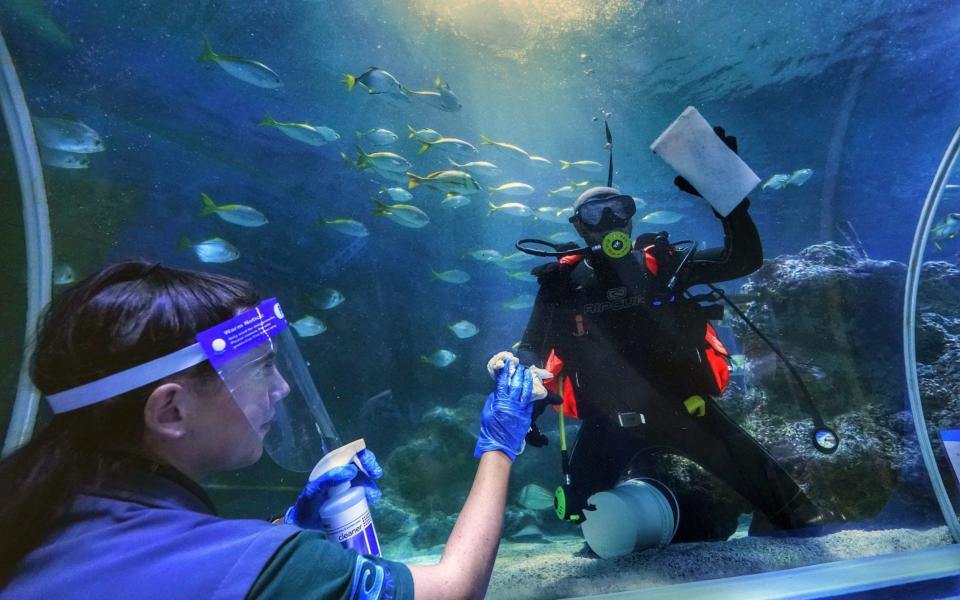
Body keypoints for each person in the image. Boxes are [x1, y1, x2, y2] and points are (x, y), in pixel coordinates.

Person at [0, 260, 536, 599]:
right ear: (170, 411)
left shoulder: (32, 510)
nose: (280, 389)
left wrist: (286, 532)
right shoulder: (254, 565)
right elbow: (453, 591)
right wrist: (499, 446)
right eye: (260, 367)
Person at [516, 129, 832, 540]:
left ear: (631, 216)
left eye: (618, 209)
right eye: (596, 215)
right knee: (583, 519)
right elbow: (530, 350)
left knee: (796, 514)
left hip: (689, 411)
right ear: (579, 227)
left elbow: (745, 259)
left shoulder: (663, 265)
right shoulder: (561, 285)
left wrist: (726, 196)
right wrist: (525, 407)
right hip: (606, 425)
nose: (609, 222)